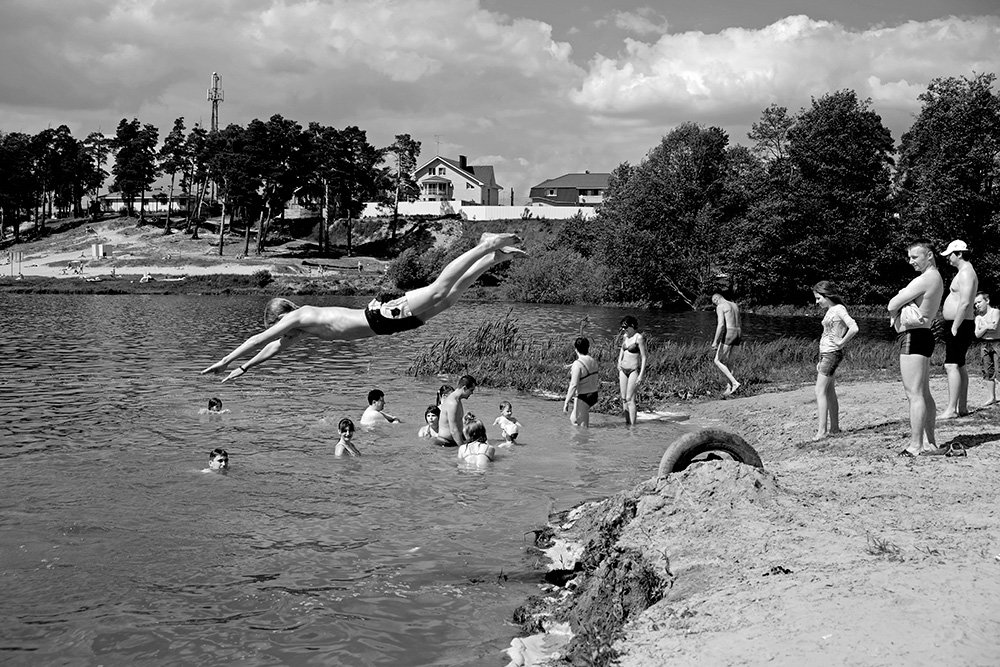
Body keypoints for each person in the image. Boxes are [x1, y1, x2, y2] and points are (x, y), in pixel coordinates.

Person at [201, 233, 526, 382]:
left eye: (277, 324)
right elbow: (271, 349)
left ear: (281, 315)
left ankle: (484, 244)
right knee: (448, 300)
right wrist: (244, 368)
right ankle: (491, 259)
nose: (279, 330)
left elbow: (258, 340)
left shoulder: (300, 315)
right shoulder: (300, 331)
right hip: (384, 326)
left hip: (378, 314)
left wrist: (223, 360)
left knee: (438, 289)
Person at [887, 239, 944, 457]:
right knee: (924, 393)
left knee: (914, 394)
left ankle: (915, 445)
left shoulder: (926, 278)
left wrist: (902, 298)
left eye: (915, 257)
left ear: (929, 255)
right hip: (923, 334)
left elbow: (892, 305)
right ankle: (929, 442)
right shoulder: (936, 278)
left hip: (913, 336)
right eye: (909, 257)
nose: (911, 262)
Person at [812, 281, 859, 441]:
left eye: (819, 298)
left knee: (820, 391)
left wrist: (841, 342)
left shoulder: (839, 309)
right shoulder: (832, 310)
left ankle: (822, 431)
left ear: (827, 295)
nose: (817, 302)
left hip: (831, 354)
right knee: (829, 391)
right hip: (826, 354)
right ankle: (835, 428)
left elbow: (854, 327)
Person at [938, 240, 978, 419]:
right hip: (959, 323)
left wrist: (955, 326)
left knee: (951, 364)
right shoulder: (964, 272)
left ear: (959, 254)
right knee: (959, 364)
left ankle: (951, 409)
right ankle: (961, 407)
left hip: (959, 323)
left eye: (950, 255)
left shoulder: (966, 273)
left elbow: (966, 302)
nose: (948, 259)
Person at [564, 336, 600, 427]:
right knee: (573, 419)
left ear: (575, 349)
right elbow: (584, 363)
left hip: (583, 397)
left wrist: (566, 402)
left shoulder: (577, 365)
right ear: (588, 348)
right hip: (593, 394)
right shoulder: (593, 360)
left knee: (583, 428)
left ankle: (584, 440)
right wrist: (571, 365)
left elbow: (573, 385)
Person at [617, 316, 647, 425]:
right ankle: (627, 423)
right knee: (624, 398)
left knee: (630, 398)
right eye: (622, 327)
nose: (623, 329)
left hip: (633, 370)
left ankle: (633, 426)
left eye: (625, 327)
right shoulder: (625, 336)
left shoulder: (638, 338)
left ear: (632, 326)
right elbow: (622, 349)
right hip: (623, 370)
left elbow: (644, 357)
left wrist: (641, 375)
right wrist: (619, 361)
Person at [711, 292, 742, 396]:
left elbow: (721, 325)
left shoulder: (721, 306)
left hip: (730, 332)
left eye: (714, 303)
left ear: (716, 299)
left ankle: (734, 383)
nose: (715, 305)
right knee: (730, 362)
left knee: (717, 360)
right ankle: (729, 388)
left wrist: (715, 341)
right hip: (738, 333)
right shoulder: (734, 305)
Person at [974, 291, 1000, 406]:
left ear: (987, 301)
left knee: (999, 369)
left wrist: (983, 327)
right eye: (975, 304)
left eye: (979, 302)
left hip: (997, 343)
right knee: (987, 370)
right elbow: (977, 334)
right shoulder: (978, 317)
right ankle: (991, 397)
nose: (977, 305)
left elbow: (994, 327)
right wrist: (986, 326)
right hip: (984, 344)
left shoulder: (996, 312)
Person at [438, 375, 477, 446]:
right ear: (464, 388)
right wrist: (463, 449)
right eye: (471, 390)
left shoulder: (457, 400)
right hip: (446, 444)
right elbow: (453, 430)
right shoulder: (453, 403)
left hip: (453, 441)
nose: (472, 393)